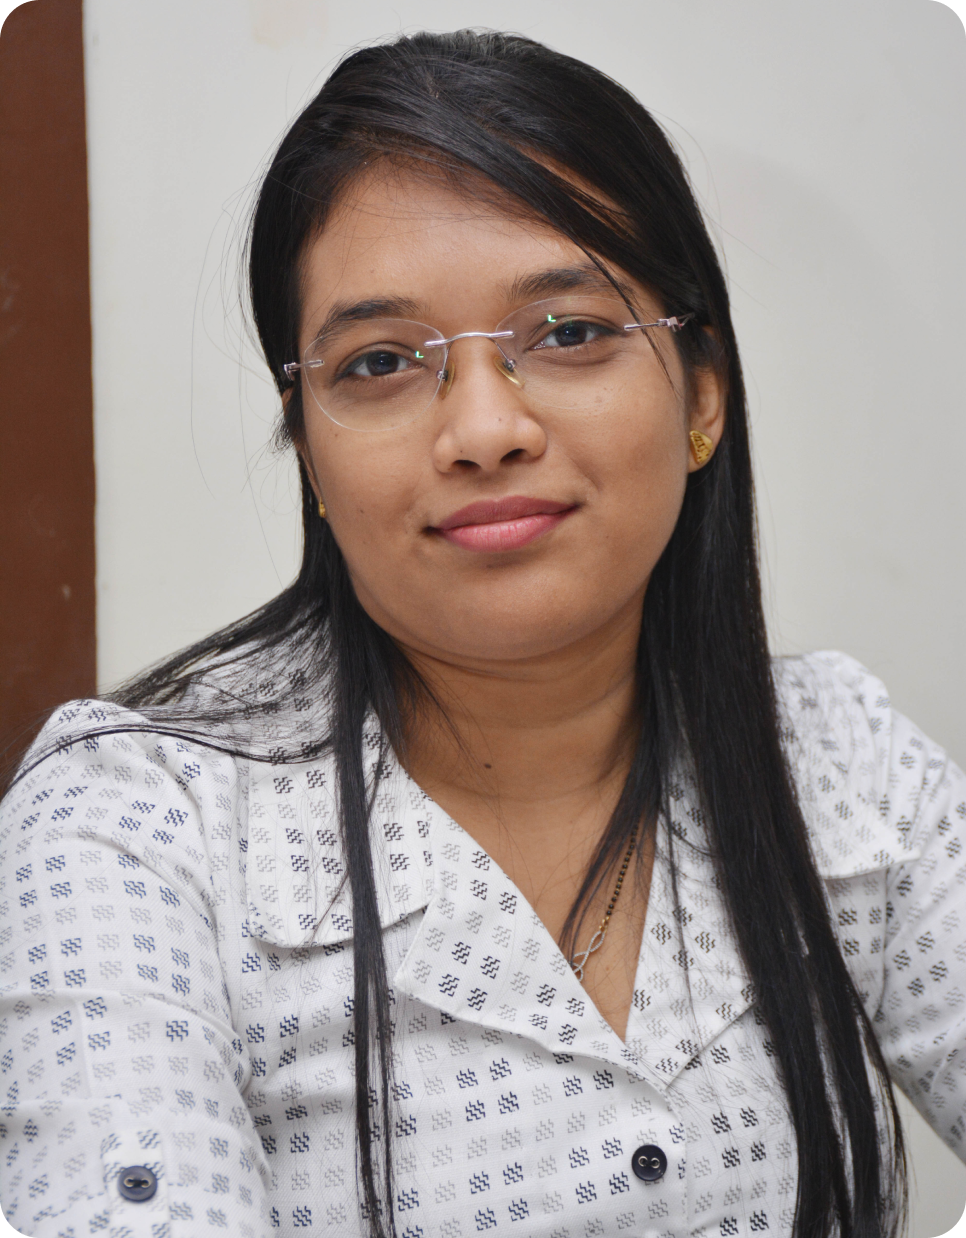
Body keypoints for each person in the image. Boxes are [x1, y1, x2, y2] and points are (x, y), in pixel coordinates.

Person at [1, 28, 963, 1238]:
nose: (485, 429)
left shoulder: (839, 757)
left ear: (704, 389)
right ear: (307, 444)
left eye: (568, 333)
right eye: (381, 361)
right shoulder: (135, 824)